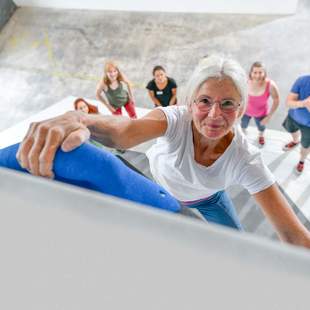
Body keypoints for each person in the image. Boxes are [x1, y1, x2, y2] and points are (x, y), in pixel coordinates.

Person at [15, 55, 310, 248]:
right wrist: (81, 119)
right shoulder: (174, 119)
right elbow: (123, 132)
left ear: (241, 109)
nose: (214, 115)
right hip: (162, 188)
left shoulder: (245, 158)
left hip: (209, 200)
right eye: (205, 101)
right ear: (190, 102)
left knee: (235, 244)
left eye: (228, 104)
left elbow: (293, 234)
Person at [241, 61, 280, 146]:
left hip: (261, 114)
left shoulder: (270, 85)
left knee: (261, 127)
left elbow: (276, 100)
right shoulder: (245, 82)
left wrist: (269, 117)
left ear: (264, 73)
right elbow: (238, 95)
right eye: (255, 72)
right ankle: (243, 135)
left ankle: (261, 135)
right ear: (251, 73)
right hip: (245, 112)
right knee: (243, 125)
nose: (258, 75)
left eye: (260, 72)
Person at [282, 75, 310, 174]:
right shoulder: (302, 80)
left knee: (306, 146)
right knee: (291, 129)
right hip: (293, 117)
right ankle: (295, 141)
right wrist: (304, 103)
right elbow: (288, 102)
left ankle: (301, 161)